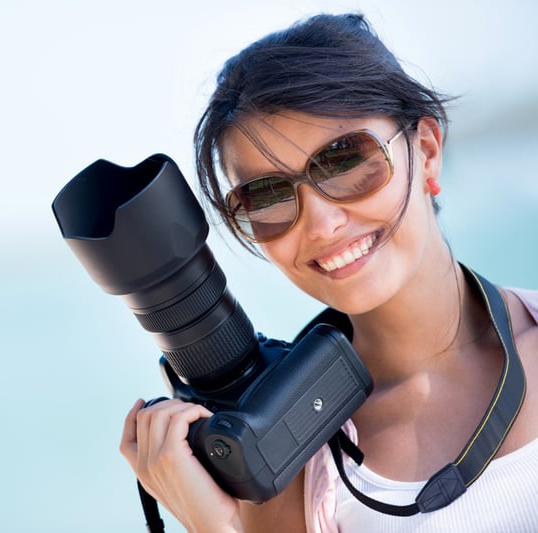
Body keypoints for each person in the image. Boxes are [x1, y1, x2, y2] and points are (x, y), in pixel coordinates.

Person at [119, 13, 538, 533]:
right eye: (266, 196)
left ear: (426, 152)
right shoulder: (292, 467)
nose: (321, 223)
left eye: (345, 160)